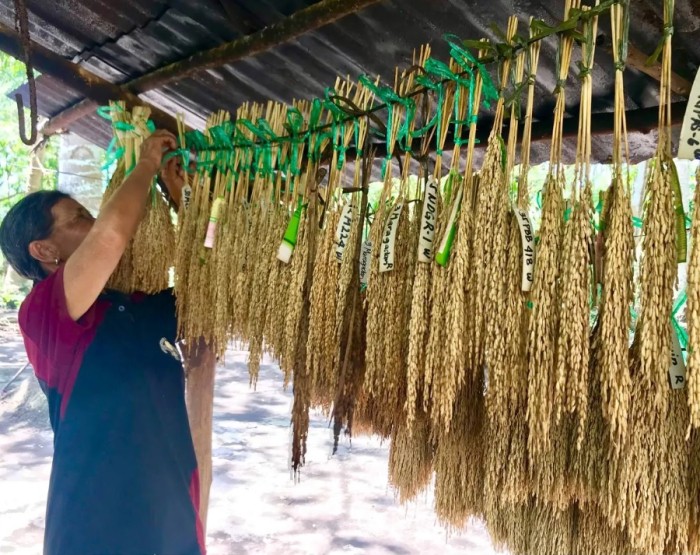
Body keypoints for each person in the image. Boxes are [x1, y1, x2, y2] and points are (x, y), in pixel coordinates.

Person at [0, 130, 206, 555]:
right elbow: (111, 237)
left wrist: (180, 196)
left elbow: (209, 279)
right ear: (43, 249)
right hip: (94, 528)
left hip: (173, 525)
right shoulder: (44, 314)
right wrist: (146, 164)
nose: (94, 223)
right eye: (78, 219)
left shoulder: (137, 306)